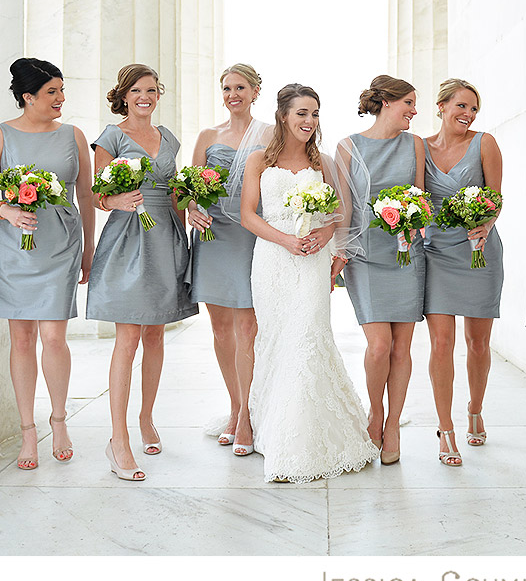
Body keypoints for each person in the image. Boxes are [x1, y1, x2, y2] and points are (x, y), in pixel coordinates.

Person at [239, 83, 378, 483]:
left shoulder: (325, 162)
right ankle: (269, 425)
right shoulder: (257, 161)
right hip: (272, 258)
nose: (309, 121)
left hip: (313, 261)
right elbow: (249, 215)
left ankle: (301, 440)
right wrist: (284, 239)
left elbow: (341, 213)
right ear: (283, 115)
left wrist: (325, 237)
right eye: (302, 113)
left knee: (309, 336)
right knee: (277, 338)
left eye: (314, 114)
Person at [0, 58, 95, 471]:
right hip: (14, 246)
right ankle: (28, 432)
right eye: (52, 92)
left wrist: (89, 249)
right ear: (28, 96)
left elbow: (86, 197)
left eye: (62, 91)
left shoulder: (74, 136)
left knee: (55, 337)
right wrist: (6, 213)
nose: (61, 99)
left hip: (61, 244)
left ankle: (59, 422)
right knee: (22, 339)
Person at [86, 63, 197, 482]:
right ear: (124, 95)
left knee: (156, 332)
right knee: (128, 337)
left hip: (165, 236)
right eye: (137, 91)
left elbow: (175, 195)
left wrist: (191, 220)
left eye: (151, 89)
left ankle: (147, 417)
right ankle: (118, 439)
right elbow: (98, 194)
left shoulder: (169, 138)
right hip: (128, 239)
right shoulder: (111, 137)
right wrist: (117, 201)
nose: (145, 96)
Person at [336, 75, 427, 467]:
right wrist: (339, 254)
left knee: (403, 348)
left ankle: (392, 425)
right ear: (387, 103)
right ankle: (375, 412)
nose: (414, 110)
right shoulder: (347, 147)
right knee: (380, 346)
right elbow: (343, 207)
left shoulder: (416, 145)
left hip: (407, 254)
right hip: (366, 256)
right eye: (408, 102)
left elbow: (421, 197)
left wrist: (415, 218)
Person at [422, 78, 504, 467]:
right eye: (461, 106)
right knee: (440, 343)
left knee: (478, 343)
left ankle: (475, 408)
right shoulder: (419, 148)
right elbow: (417, 198)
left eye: (473, 109)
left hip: (479, 250)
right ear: (441, 106)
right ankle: (446, 429)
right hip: (437, 251)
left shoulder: (485, 142)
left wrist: (486, 225)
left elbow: (496, 198)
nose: (468, 115)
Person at [187, 64, 263, 456]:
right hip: (214, 236)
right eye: (227, 88)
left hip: (251, 235)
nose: (233, 94)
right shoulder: (207, 136)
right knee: (220, 329)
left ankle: (249, 416)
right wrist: (191, 209)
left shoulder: (270, 134)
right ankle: (235, 407)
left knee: (248, 327)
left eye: (240, 87)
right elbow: (188, 189)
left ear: (255, 91)